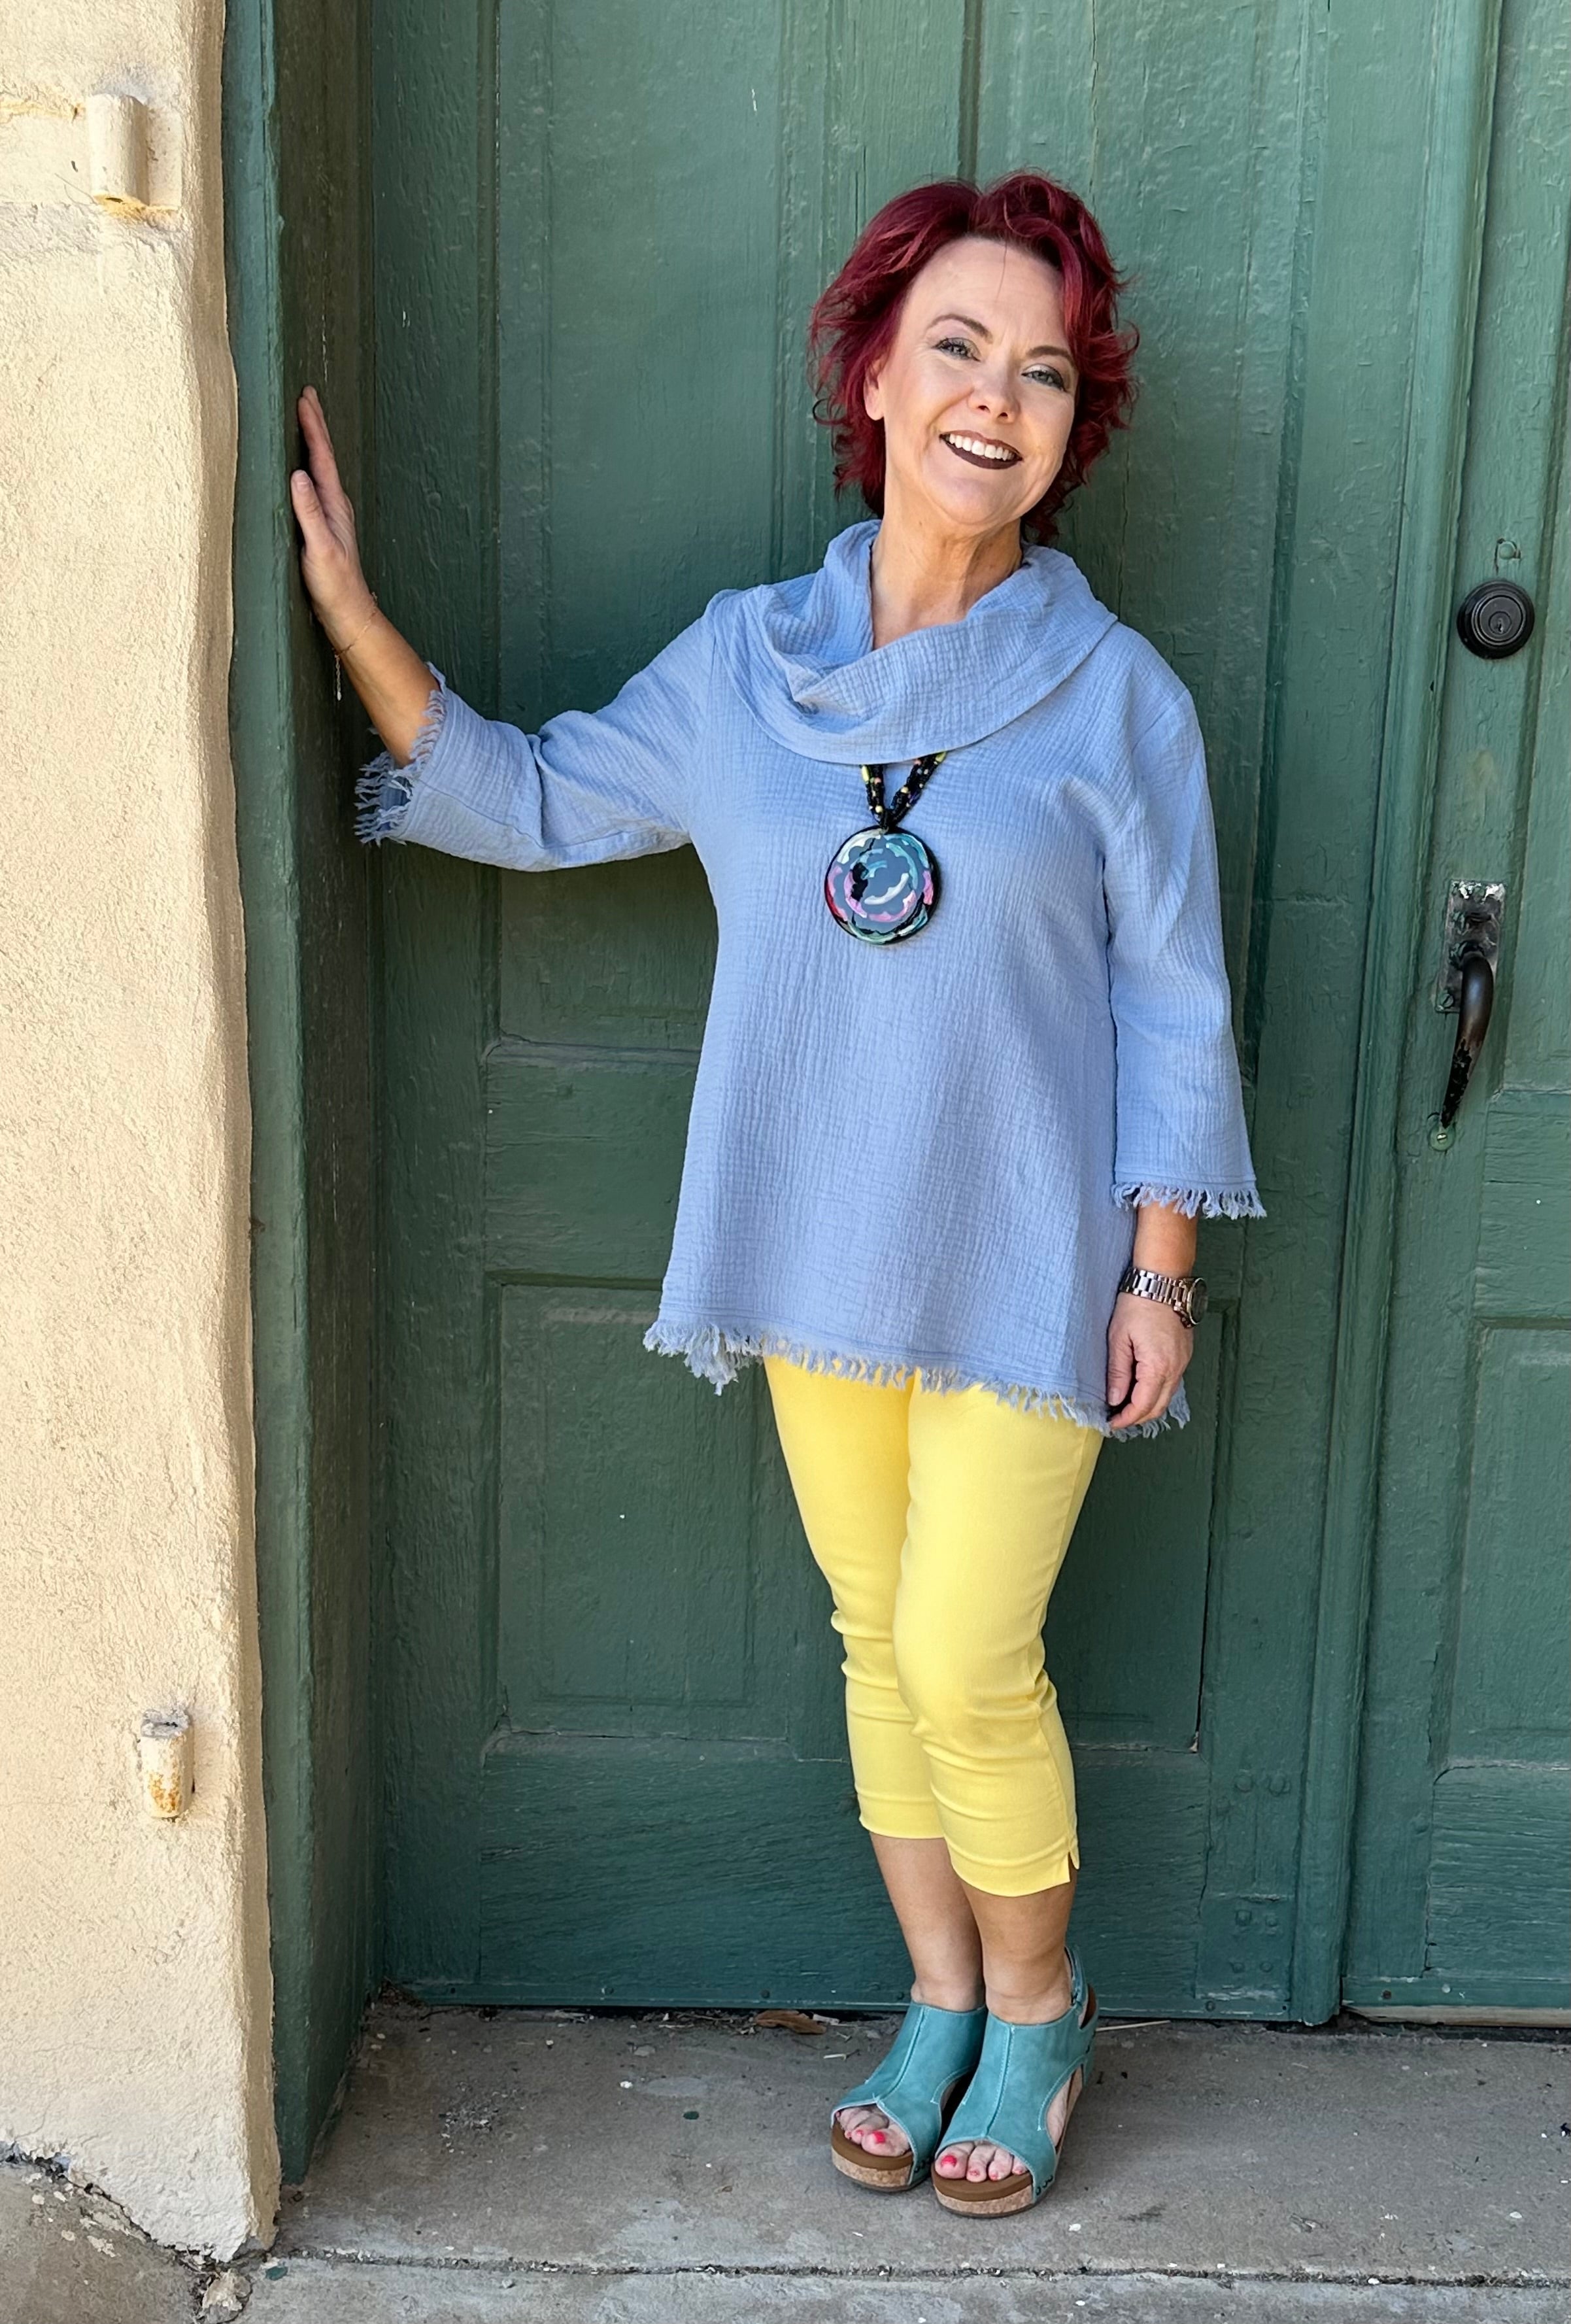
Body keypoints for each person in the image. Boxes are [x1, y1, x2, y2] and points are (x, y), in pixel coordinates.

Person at [290, 171, 1264, 2218]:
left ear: (1071, 428)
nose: (995, 398)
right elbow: (535, 794)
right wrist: (357, 622)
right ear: (874, 376)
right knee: (874, 1642)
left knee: (968, 1654)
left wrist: (1159, 1273)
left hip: (1029, 1262)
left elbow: (1174, 995)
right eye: (957, 348)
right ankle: (936, 1995)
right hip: (816, 1245)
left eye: (1044, 373)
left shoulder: (1117, 701)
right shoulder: (749, 666)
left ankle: (1041, 2008)